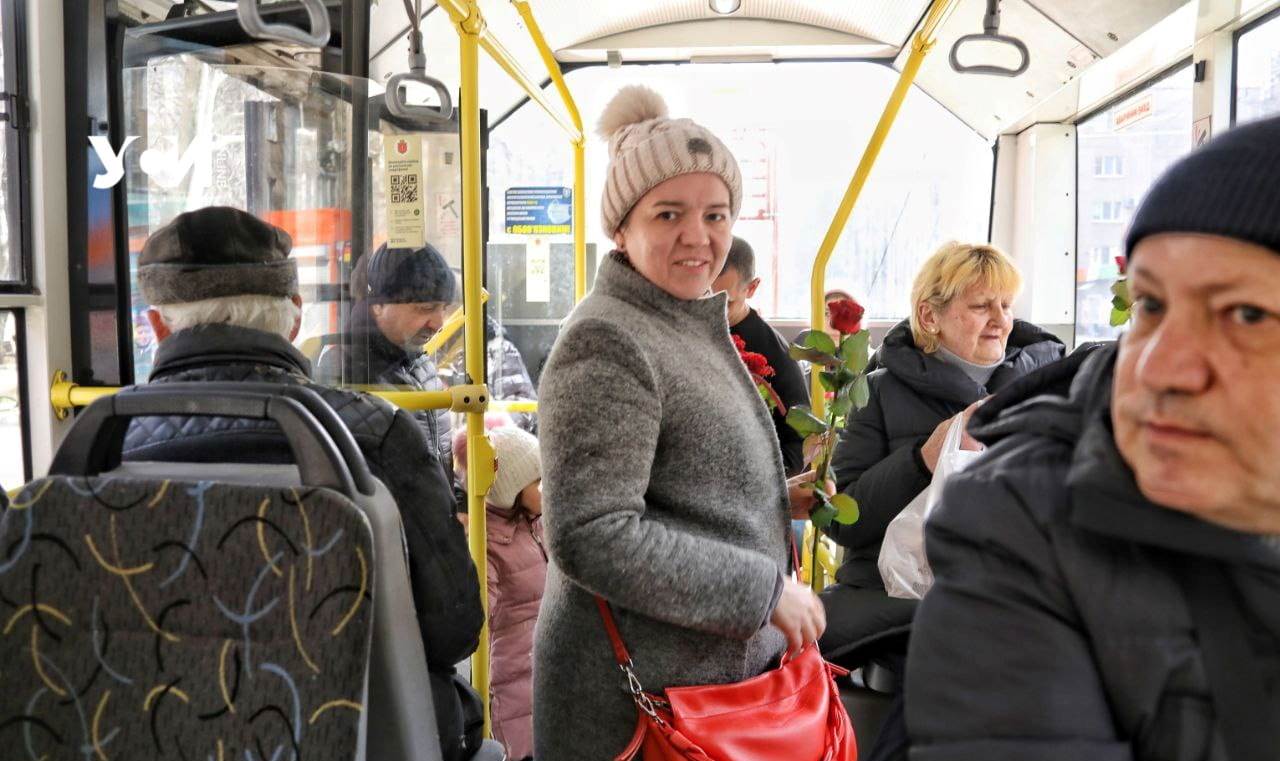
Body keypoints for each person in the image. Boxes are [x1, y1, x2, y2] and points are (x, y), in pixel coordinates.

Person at [906, 114, 1280, 761]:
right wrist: (921, 457)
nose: (1158, 367)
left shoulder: (1031, 371)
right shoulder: (1013, 521)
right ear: (931, 316)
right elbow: (857, 509)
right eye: (1151, 305)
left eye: (1245, 315)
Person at [120, 207, 486, 761]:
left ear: (156, 326)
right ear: (294, 317)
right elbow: (453, 628)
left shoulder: (105, 442)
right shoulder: (378, 435)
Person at [533, 84, 829, 758]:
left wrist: (774, 498)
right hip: (638, 715)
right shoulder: (607, 339)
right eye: (669, 214)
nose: (699, 236)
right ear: (621, 228)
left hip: (700, 696)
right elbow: (591, 532)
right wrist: (762, 593)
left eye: (716, 214)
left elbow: (676, 486)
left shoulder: (677, 320)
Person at [821, 242, 1064, 761]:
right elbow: (843, 520)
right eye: (981, 306)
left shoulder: (1045, 390)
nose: (1000, 320)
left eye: (1006, 305)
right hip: (894, 593)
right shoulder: (876, 393)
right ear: (930, 317)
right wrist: (922, 459)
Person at [338, 243, 456, 465]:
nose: (439, 323)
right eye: (426, 308)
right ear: (379, 306)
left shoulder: (420, 364)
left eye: (443, 308)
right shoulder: (349, 370)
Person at [476, 425, 546, 761]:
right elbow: (479, 613)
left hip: (545, 666)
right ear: (513, 491)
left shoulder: (537, 523)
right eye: (538, 482)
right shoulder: (488, 541)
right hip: (515, 678)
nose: (546, 489)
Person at [712, 235, 810, 476]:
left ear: (752, 288)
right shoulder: (684, 330)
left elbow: (798, 448)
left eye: (725, 303)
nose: (710, 310)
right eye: (703, 297)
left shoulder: (775, 356)